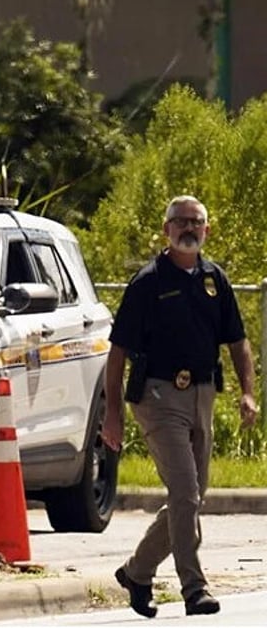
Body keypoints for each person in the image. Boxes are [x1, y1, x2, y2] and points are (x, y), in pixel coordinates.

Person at [102, 195, 258, 617]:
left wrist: (248, 391)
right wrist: (111, 414)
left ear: (206, 230)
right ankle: (194, 587)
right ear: (166, 229)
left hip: (202, 395)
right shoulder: (147, 282)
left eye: (197, 222)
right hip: (157, 397)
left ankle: (136, 572)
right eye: (181, 221)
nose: (189, 228)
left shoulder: (215, 279)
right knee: (187, 491)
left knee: (190, 497)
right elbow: (117, 355)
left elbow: (238, 342)